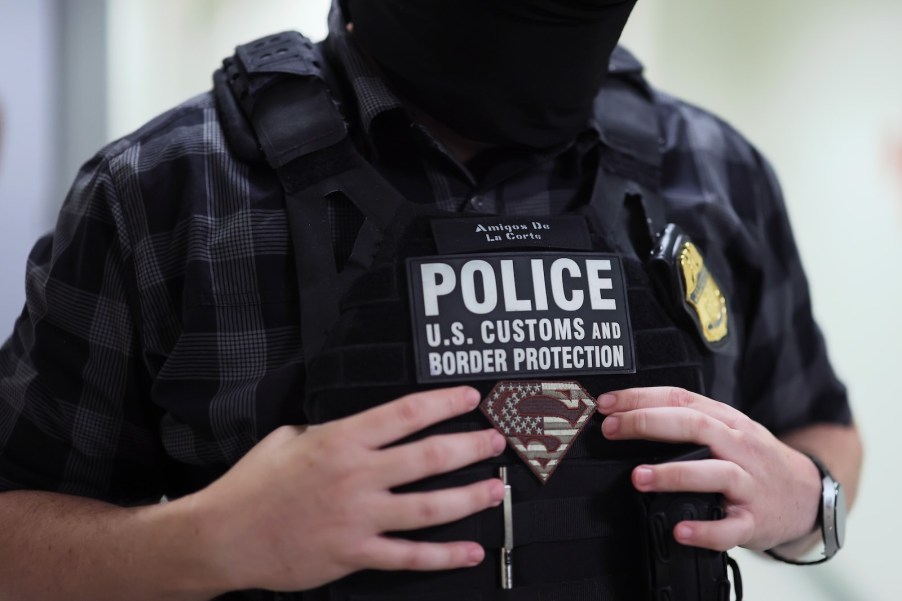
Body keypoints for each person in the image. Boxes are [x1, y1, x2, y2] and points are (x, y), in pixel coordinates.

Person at [0, 1, 862, 599]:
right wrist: (211, 539)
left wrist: (804, 503)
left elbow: (821, 426)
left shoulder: (716, 174)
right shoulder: (169, 191)